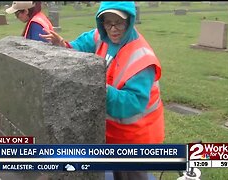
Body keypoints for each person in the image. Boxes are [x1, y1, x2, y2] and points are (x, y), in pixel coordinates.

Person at [40, 1, 164, 179]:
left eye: (119, 22)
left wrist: (100, 90)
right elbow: (81, 45)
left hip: (136, 138)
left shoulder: (142, 60)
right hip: (113, 132)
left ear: (130, 21)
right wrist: (64, 46)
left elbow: (133, 104)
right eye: (108, 22)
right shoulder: (101, 35)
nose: (113, 29)